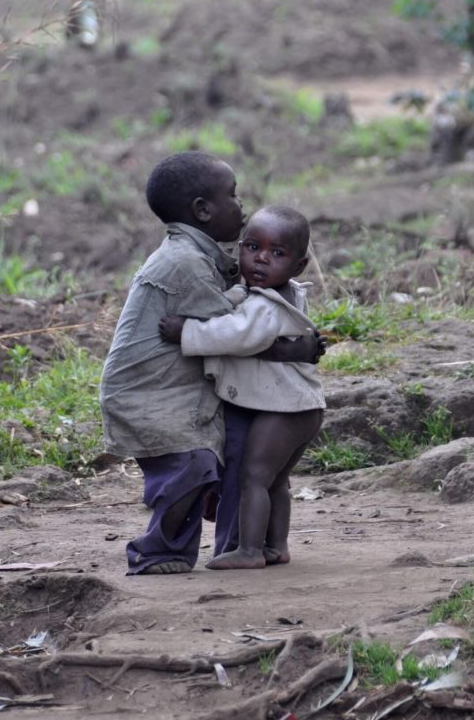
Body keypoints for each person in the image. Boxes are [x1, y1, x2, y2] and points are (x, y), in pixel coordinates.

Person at [99, 152, 325, 575]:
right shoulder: (185, 263)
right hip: (152, 392)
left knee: (239, 454)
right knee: (192, 467)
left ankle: (242, 545)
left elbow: (250, 314)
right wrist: (297, 349)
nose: (241, 206)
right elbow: (235, 334)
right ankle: (158, 551)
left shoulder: (204, 256)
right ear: (203, 210)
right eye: (234, 196)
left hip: (189, 387)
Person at [159, 205, 325, 570]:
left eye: (277, 254)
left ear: (298, 266)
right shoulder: (286, 293)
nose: (260, 259)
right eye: (251, 247)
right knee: (277, 481)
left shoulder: (265, 307)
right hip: (303, 407)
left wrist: (186, 331)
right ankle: (277, 546)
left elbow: (234, 334)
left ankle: (249, 550)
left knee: (254, 477)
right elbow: (240, 305)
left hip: (284, 409)